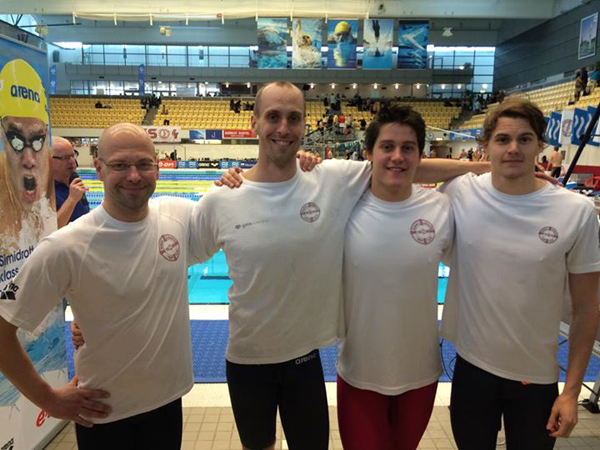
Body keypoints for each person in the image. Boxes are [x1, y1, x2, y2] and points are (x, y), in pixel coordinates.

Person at [191, 81, 490, 450]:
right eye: (273, 117)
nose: (283, 128)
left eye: (294, 118)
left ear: (305, 125)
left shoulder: (329, 178)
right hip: (247, 359)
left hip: (305, 357)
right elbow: (180, 256)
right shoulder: (221, 198)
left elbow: (405, 166)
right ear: (254, 122)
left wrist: (497, 168)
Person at [0, 123, 203, 449]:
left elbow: (238, 208)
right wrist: (49, 400)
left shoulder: (176, 216)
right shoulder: (65, 246)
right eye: (120, 165)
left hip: (168, 403)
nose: (134, 176)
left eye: (143, 164)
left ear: (158, 166)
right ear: (98, 168)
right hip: (104, 415)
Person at [440, 99, 600, 449]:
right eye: (502, 140)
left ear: (540, 145)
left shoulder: (576, 211)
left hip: (536, 377)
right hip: (472, 370)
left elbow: (587, 308)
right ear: (486, 146)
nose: (514, 148)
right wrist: (490, 164)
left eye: (524, 140)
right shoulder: (462, 191)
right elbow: (406, 167)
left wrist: (571, 392)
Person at [337, 105, 453, 450]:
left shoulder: (442, 207)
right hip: (360, 373)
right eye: (387, 147)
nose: (397, 157)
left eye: (408, 148)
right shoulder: (343, 206)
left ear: (421, 154)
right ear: (368, 153)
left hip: (420, 373)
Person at [0, 58, 55, 251]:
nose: (29, 160)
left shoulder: (49, 191)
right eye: (16, 140)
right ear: (3, 137)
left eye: (38, 140)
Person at [51, 137, 89, 228]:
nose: (72, 161)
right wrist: (71, 200)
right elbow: (51, 230)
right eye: (65, 158)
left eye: (73, 155)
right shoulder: (44, 192)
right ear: (49, 160)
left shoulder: (74, 181)